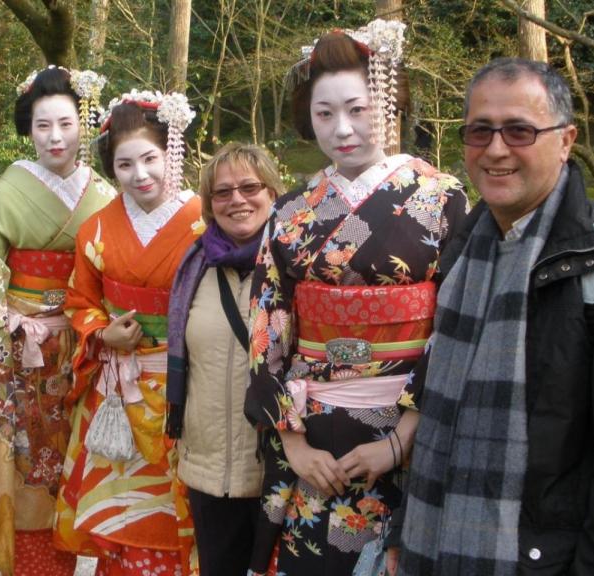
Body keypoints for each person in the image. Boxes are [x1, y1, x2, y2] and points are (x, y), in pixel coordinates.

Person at [393, 58, 594, 576]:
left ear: (567, 139)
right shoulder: (465, 250)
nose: (496, 149)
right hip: (431, 548)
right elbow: (440, 415)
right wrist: (403, 531)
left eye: (520, 131)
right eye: (479, 131)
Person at [244, 21, 468, 575]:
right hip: (314, 440)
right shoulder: (291, 211)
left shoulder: (443, 199)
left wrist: (400, 441)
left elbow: (459, 326)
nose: (342, 129)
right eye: (325, 114)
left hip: (413, 432)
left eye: (358, 109)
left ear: (388, 103)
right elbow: (267, 325)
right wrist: (292, 443)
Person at [0, 66, 115, 576]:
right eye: (43, 126)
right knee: (23, 465)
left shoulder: (104, 193)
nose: (55, 137)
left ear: (82, 125)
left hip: (84, 346)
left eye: (65, 123)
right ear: (29, 129)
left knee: (76, 460)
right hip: (19, 351)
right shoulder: (6, 192)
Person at [56, 90, 202, 575]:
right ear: (110, 169)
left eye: (150, 159)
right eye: (124, 165)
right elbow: (80, 299)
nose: (140, 175)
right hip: (117, 384)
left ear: (171, 153)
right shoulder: (96, 228)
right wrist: (101, 334)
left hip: (185, 383)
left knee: (177, 508)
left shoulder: (204, 222)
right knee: (120, 509)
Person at [165, 143, 284, 575]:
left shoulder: (295, 263)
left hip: (280, 466)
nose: (237, 199)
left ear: (272, 193)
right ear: (210, 205)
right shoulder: (195, 267)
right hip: (208, 468)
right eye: (222, 192)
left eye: (250, 187)